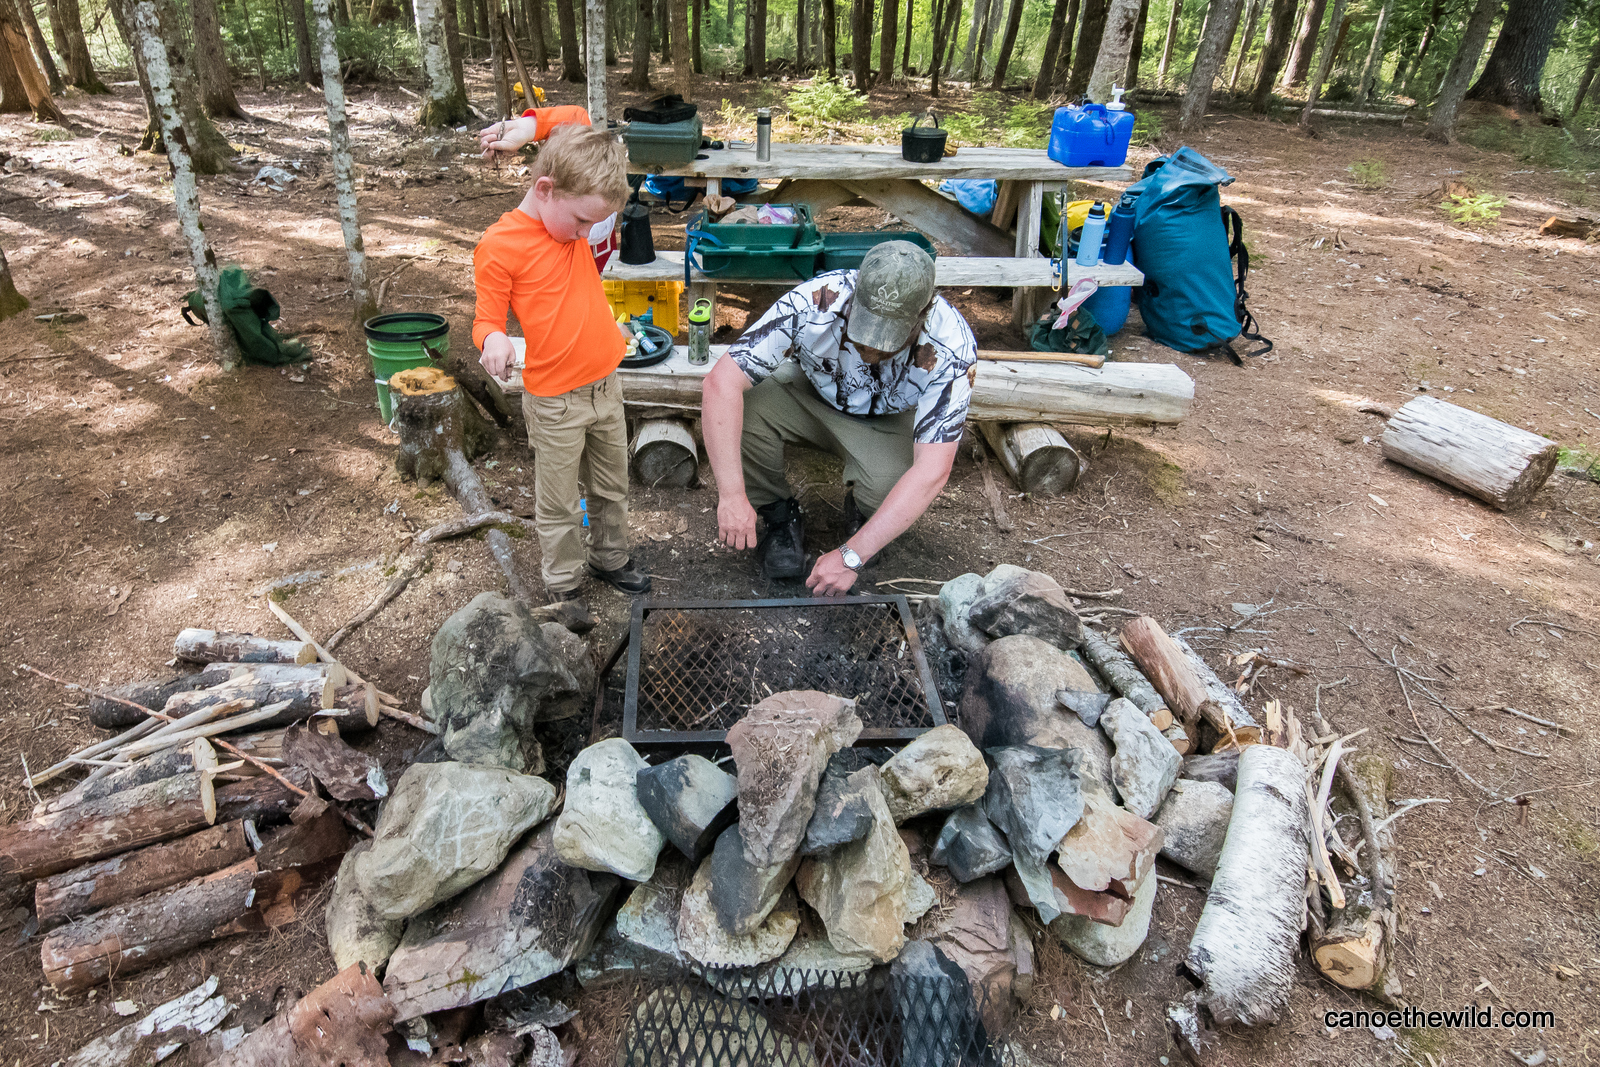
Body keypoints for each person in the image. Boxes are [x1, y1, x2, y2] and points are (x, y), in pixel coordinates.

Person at [701, 241, 977, 597]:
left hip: (887, 422)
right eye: (864, 333)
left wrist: (852, 556)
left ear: (923, 314)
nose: (871, 351)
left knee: (892, 488)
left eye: (887, 340)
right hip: (808, 396)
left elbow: (932, 470)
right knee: (745, 402)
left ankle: (863, 511)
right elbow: (720, 384)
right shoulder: (814, 301)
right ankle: (776, 512)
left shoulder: (951, 346)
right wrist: (732, 494)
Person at [473, 114, 651, 603]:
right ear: (545, 189)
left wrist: (525, 130)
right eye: (581, 221)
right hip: (554, 402)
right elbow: (486, 319)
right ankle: (564, 583)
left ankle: (610, 558)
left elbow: (577, 120)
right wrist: (493, 340)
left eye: (594, 223)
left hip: (605, 385)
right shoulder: (499, 244)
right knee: (558, 503)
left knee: (612, 487)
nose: (586, 234)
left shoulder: (570, 216)